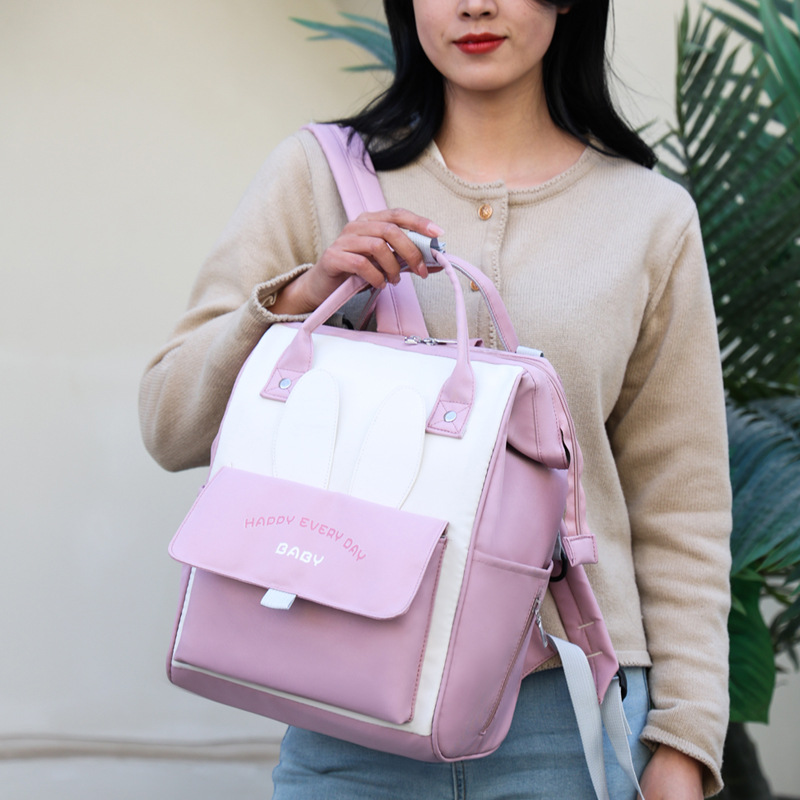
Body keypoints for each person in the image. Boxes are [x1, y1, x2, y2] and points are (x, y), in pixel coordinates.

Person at [139, 0, 732, 797]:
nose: (474, 5)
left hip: (572, 722)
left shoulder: (650, 218)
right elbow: (169, 423)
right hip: (348, 713)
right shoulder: (318, 176)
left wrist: (685, 741)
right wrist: (303, 297)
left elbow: (681, 505)